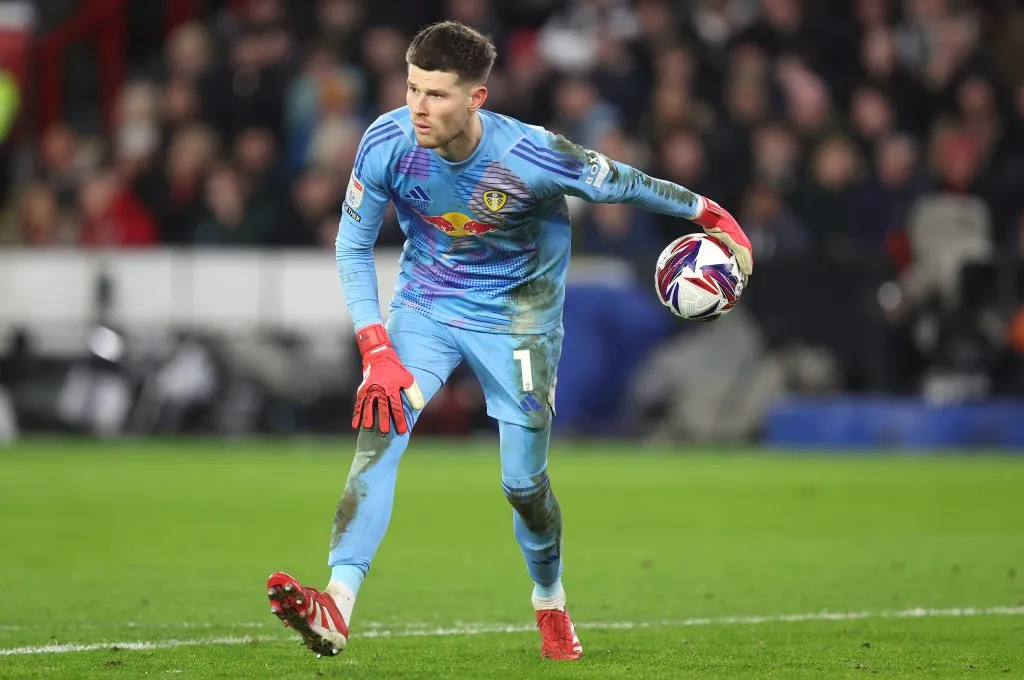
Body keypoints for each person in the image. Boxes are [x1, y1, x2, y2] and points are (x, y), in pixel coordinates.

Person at [266, 20, 753, 661]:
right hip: (427, 306)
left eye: (437, 94)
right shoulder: (385, 140)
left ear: (477, 99)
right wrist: (375, 348)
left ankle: (549, 599)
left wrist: (715, 219)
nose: (418, 106)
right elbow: (352, 245)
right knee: (378, 435)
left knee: (523, 488)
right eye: (412, 87)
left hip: (520, 320)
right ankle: (337, 602)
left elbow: (626, 183)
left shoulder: (533, 155)